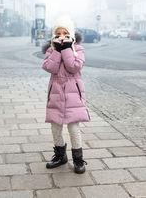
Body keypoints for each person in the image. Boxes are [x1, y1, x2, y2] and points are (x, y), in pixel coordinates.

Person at [42, 16, 90, 174]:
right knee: (55, 128)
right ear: (53, 36)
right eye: (58, 33)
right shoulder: (51, 50)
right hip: (56, 95)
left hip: (73, 96)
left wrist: (67, 49)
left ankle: (78, 159)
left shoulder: (79, 50)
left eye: (65, 33)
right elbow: (50, 67)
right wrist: (57, 51)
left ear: (71, 35)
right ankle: (60, 156)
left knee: (74, 129)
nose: (62, 36)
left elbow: (74, 67)